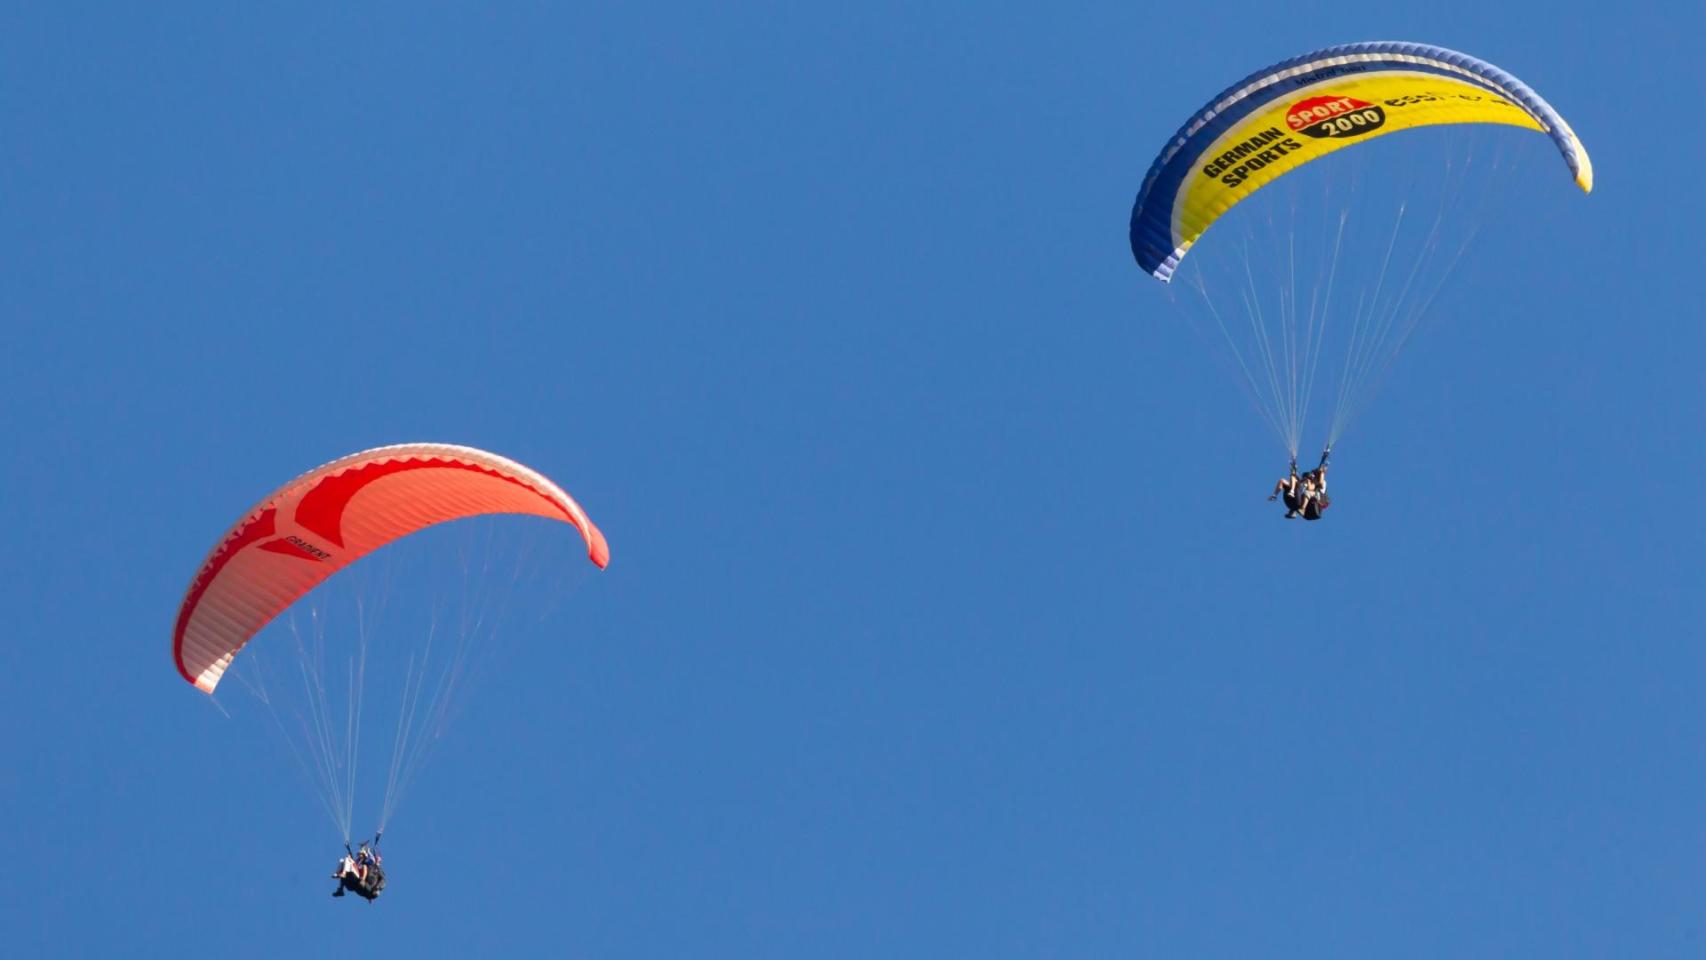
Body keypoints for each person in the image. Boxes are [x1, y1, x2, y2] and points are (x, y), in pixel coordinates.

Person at [1268, 449, 1330, 520]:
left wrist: (1321, 472)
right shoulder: (1308, 484)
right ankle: (1276, 496)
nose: (1311, 478)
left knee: (1307, 492)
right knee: (1287, 481)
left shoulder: (1320, 484)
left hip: (1316, 503)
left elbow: (1319, 483)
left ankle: (1300, 508)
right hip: (1301, 504)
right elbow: (1302, 484)